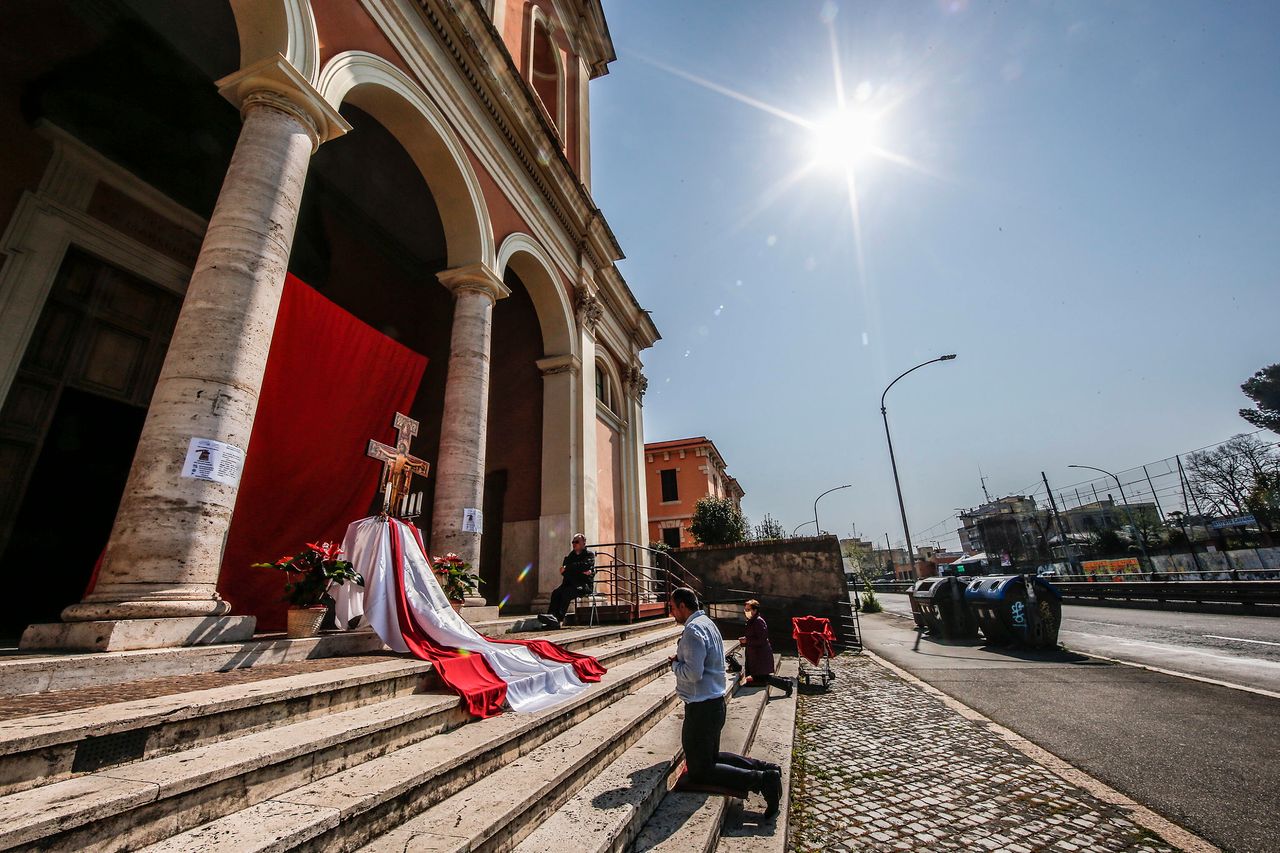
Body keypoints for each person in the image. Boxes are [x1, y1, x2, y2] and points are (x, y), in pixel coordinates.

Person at [668, 586, 783, 818]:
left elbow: (693, 673)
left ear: (682, 606)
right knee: (712, 757)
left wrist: (674, 664)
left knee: (700, 770)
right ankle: (765, 768)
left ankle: (762, 780)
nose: (671, 613)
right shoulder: (708, 623)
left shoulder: (692, 631)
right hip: (713, 703)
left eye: (672, 608)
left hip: (701, 707)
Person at [537, 533, 595, 628]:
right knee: (556, 593)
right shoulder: (571, 555)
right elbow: (564, 572)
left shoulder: (589, 555)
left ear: (583, 543)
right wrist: (576, 570)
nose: (574, 544)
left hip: (583, 585)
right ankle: (551, 617)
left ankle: (558, 619)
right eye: (573, 542)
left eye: (577, 542)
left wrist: (569, 568)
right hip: (569, 583)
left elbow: (585, 565)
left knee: (566, 593)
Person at [738, 599, 793, 698]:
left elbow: (761, 639)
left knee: (764, 677)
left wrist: (747, 641)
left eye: (748, 609)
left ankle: (786, 683)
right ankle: (785, 682)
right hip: (755, 654)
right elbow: (753, 637)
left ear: (755, 610)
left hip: (760, 655)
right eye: (745, 609)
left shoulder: (758, 622)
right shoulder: (752, 621)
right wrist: (746, 640)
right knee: (759, 677)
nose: (746, 611)